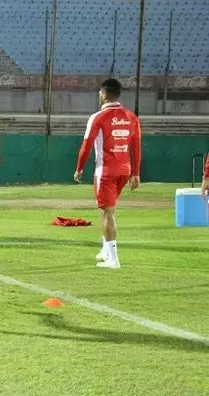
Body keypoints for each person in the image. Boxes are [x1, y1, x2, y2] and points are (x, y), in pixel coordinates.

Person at [75, 78, 141, 269]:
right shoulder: (131, 117)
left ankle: (114, 259)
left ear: (104, 94)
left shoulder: (98, 117)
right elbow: (136, 146)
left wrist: (79, 168)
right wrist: (135, 173)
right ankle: (105, 250)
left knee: (107, 213)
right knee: (108, 210)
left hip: (106, 171)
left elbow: (87, 145)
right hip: (124, 170)